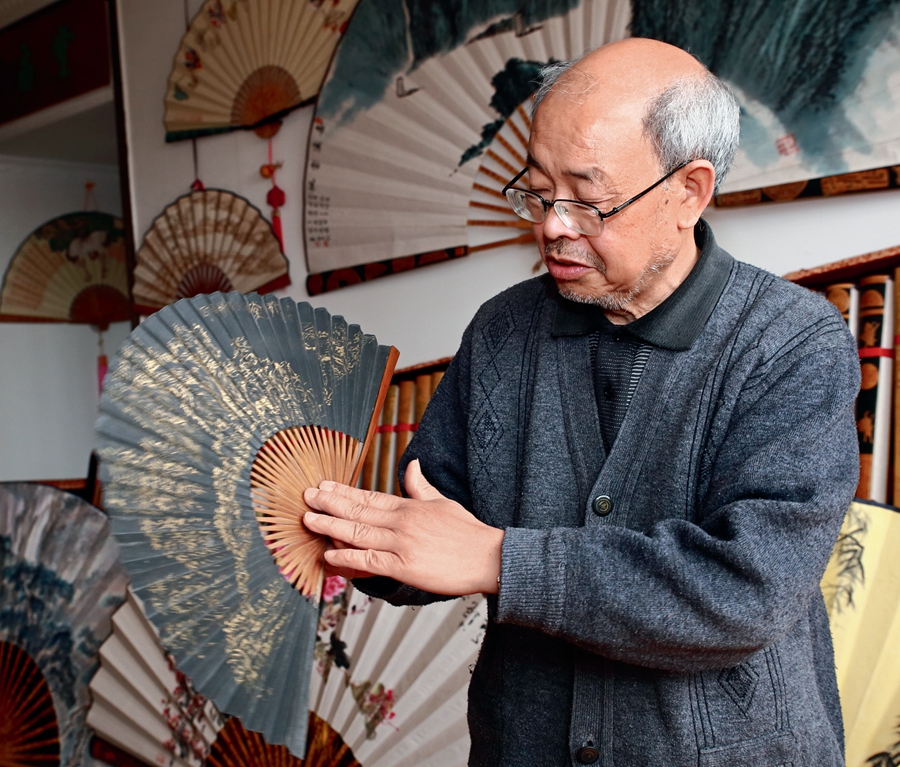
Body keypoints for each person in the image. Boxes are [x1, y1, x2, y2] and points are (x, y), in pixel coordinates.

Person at [303, 38, 859, 766]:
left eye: (589, 202)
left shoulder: (792, 341)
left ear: (688, 191)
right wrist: (332, 531)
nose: (552, 226)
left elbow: (746, 587)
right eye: (537, 190)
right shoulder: (504, 332)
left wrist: (504, 560)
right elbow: (438, 528)